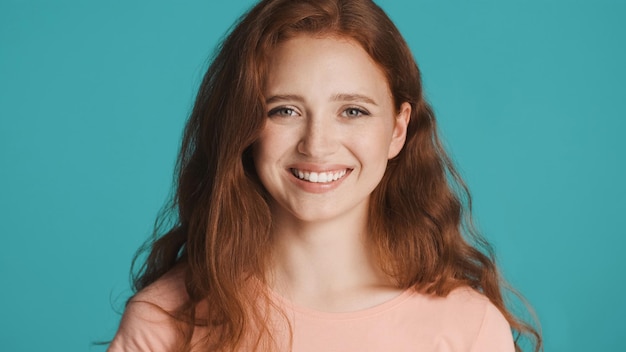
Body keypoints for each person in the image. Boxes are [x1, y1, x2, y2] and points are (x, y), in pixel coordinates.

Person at [109, 0, 542, 351]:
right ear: (243, 126)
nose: (316, 145)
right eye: (284, 110)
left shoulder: (466, 327)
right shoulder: (164, 323)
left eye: (352, 111)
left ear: (397, 130)